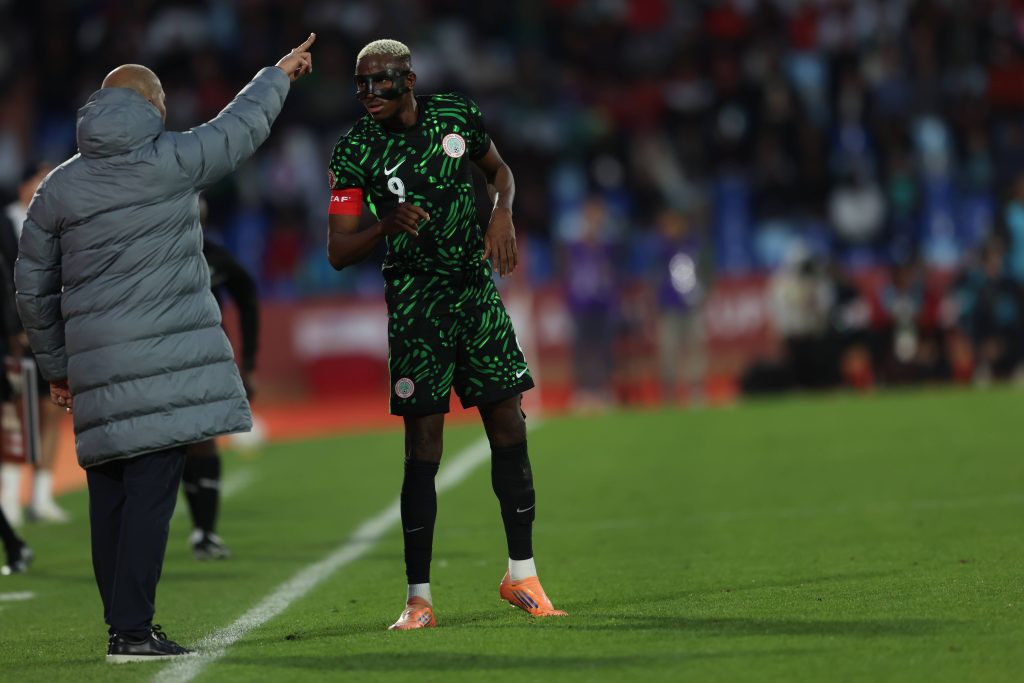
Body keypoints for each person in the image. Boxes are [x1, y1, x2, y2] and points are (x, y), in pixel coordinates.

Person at [15, 34, 315, 662]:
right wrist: (278, 73)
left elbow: (32, 288)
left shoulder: (57, 189)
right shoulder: (172, 159)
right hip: (165, 366)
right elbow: (238, 128)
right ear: (153, 107)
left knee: (110, 500)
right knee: (152, 499)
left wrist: (56, 366)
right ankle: (132, 631)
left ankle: (120, 625)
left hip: (94, 367)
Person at [326, 38, 566, 630]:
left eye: (379, 83)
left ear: (408, 80)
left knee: (509, 425)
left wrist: (502, 209)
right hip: (416, 306)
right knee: (424, 448)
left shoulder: (456, 116)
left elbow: (500, 171)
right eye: (359, 85)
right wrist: (385, 225)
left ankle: (522, 575)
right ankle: (418, 598)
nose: (368, 96)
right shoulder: (354, 151)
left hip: (475, 295)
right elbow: (337, 250)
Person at [182, 198, 261, 560]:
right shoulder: (157, 256)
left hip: (206, 360)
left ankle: (204, 531)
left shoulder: (214, 257)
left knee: (201, 440)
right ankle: (200, 530)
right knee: (175, 445)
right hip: (164, 362)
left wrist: (249, 364)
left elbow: (247, 297)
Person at [0, 162, 69, 526]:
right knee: (14, 416)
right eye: (40, 179)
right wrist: (13, 328)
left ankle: (41, 497)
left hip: (52, 333)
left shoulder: (56, 222)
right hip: (14, 337)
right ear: (24, 183)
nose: (45, 185)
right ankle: (9, 497)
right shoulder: (3, 223)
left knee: (50, 411)